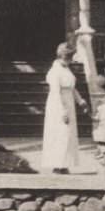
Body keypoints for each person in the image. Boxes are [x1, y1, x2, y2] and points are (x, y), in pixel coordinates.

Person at [40, 42, 88, 173]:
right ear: (62, 56)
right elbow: (56, 92)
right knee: (59, 133)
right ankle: (57, 165)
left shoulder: (66, 69)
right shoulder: (54, 71)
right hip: (57, 104)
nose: (70, 60)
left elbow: (72, 88)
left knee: (68, 134)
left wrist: (81, 101)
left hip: (69, 101)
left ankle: (65, 163)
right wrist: (63, 111)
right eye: (68, 57)